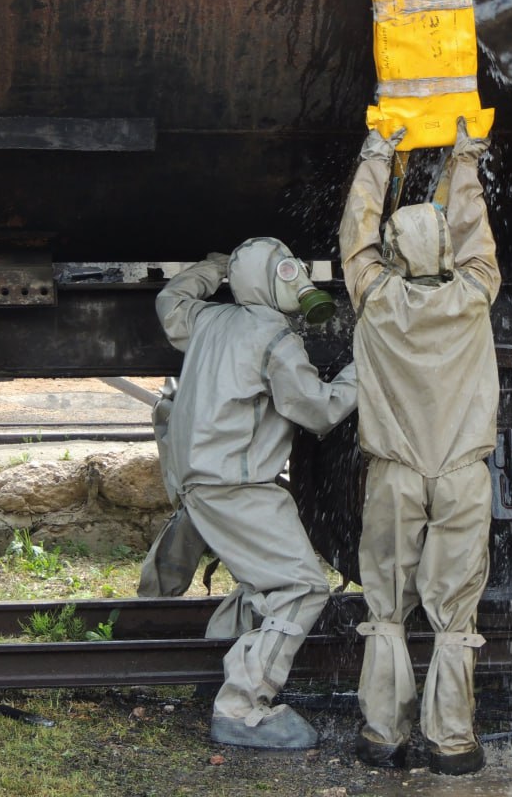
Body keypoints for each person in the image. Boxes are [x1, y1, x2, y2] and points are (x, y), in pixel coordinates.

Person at [146, 239, 358, 750]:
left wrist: (213, 267)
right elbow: (319, 410)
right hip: (235, 486)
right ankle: (242, 706)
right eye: (291, 271)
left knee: (260, 575)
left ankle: (216, 658)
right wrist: (362, 370)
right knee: (301, 587)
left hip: (198, 480)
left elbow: (169, 302)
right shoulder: (274, 337)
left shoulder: (210, 320)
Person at [338, 119, 501, 775]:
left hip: (397, 475)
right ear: (448, 256)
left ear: (395, 254)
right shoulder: (475, 294)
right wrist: (464, 157)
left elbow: (356, 230)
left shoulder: (374, 299)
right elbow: (472, 224)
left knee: (388, 605)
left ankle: (384, 736)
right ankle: (452, 743)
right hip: (462, 474)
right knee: (455, 611)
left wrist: (379, 152)